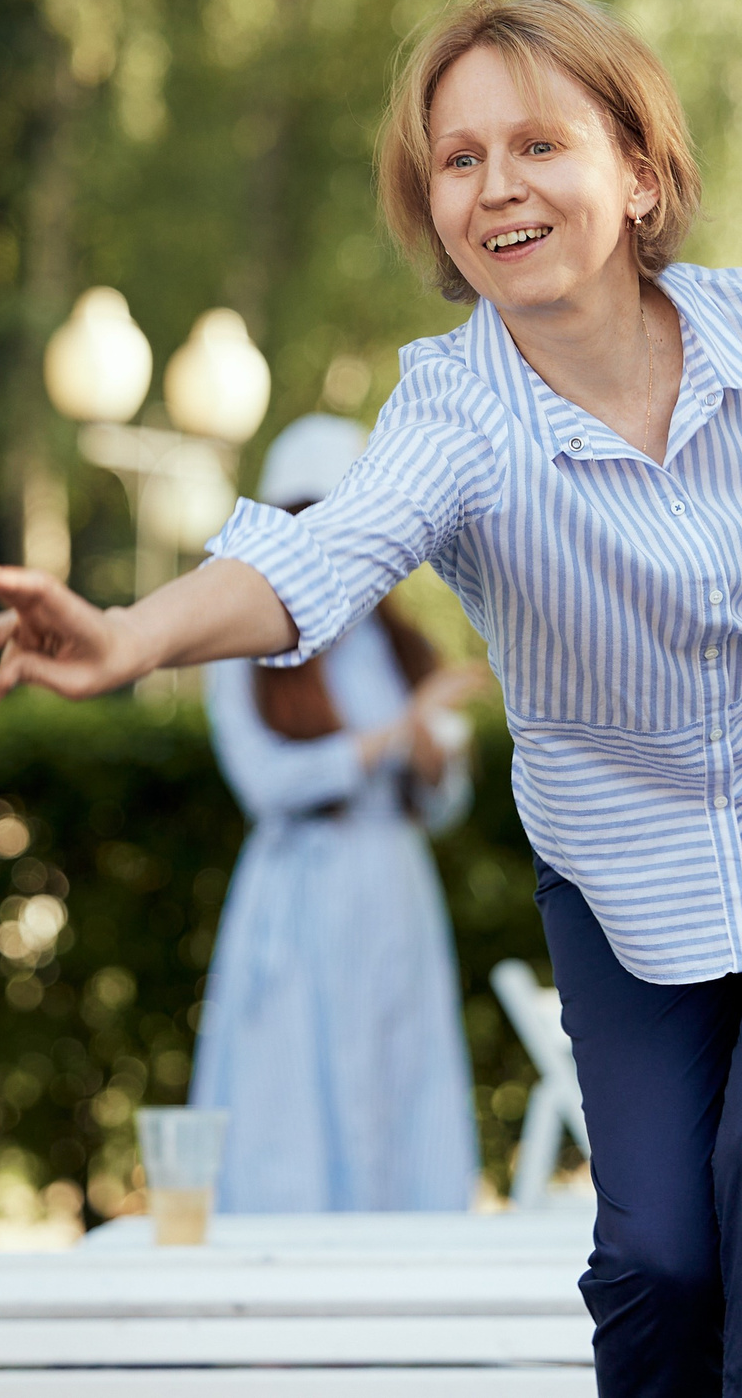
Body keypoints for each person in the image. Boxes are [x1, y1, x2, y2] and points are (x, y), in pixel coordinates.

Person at [0, 0, 742, 1397]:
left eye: (539, 144)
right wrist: (130, 633)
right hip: (627, 851)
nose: (497, 186)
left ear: (640, 173)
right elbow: (321, 557)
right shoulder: (455, 414)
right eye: (459, 158)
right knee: (661, 1251)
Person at [190, 413, 488, 1213]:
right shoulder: (244, 648)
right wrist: (391, 738)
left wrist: (429, 760)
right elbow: (265, 782)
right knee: (292, 1083)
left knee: (398, 1070)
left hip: (392, 883)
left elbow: (444, 802)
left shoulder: (395, 643)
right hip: (301, 886)